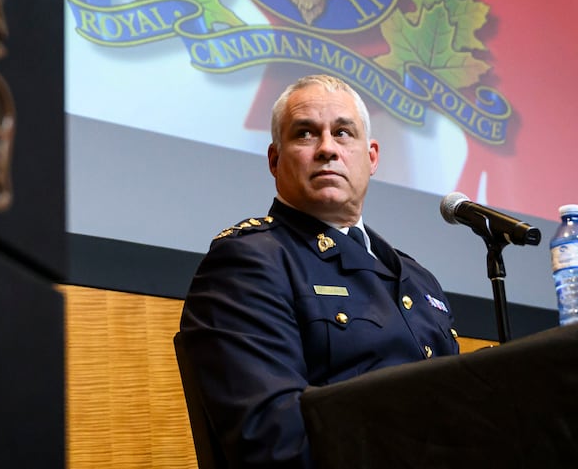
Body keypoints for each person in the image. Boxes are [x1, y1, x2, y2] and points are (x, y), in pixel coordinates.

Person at [177, 74, 460, 468]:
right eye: (306, 134)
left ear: (372, 157)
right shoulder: (249, 262)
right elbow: (273, 444)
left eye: (343, 133)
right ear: (275, 160)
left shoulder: (418, 278)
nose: (328, 148)